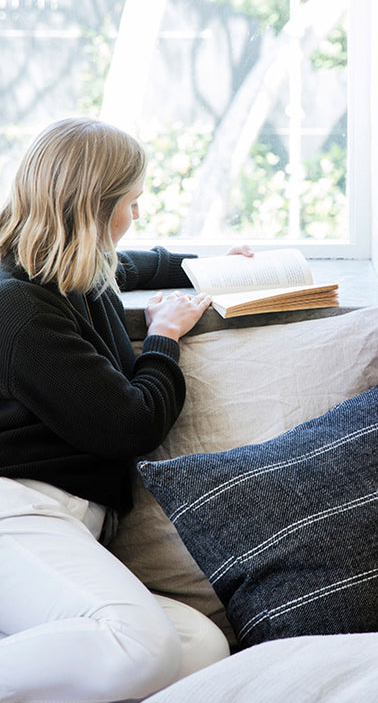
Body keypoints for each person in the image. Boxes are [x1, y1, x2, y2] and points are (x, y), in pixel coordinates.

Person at [0, 117, 250, 702]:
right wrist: (164, 338)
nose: (137, 215)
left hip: (66, 525)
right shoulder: (19, 311)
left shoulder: (65, 265)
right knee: (145, 648)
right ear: (92, 207)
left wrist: (209, 264)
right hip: (16, 512)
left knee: (201, 648)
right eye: (131, 203)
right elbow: (130, 424)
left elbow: (131, 264)